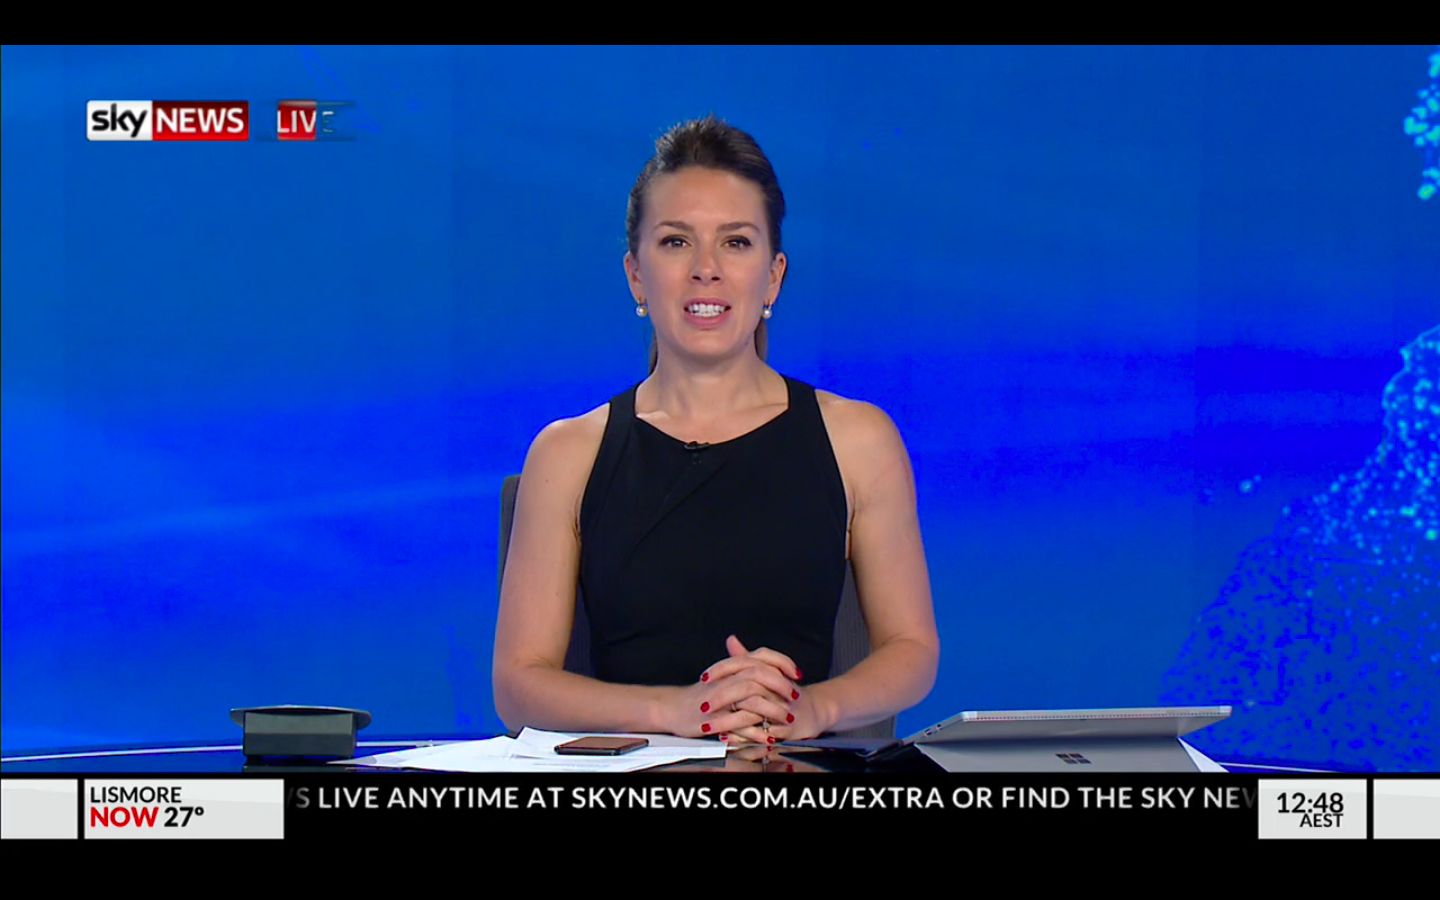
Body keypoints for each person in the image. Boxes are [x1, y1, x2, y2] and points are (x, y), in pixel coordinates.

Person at [493, 115, 938, 747]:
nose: (707, 269)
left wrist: (811, 708)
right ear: (636, 275)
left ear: (773, 276)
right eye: (677, 242)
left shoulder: (859, 440)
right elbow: (518, 687)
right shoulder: (567, 453)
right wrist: (679, 712)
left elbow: (911, 649)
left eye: (736, 242)